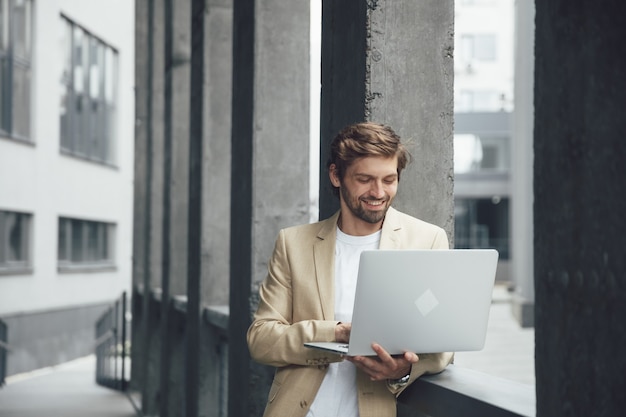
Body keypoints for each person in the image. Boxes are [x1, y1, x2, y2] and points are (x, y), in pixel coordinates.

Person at [247, 122, 454, 417]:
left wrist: (404, 368)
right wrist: (337, 333)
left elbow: (443, 341)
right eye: (365, 179)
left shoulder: (427, 240)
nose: (378, 192)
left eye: (389, 179)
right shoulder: (293, 243)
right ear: (336, 175)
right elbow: (261, 339)